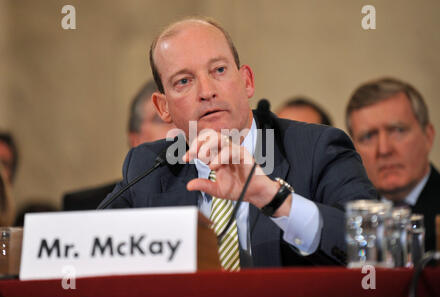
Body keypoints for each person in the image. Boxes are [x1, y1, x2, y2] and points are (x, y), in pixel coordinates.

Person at [101, 17, 376, 269]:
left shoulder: (318, 148)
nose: (207, 92)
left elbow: (371, 246)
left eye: (219, 70)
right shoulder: (148, 168)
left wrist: (272, 197)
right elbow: (92, 250)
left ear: (246, 82)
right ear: (163, 108)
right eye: (184, 81)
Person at [346, 77, 438, 252]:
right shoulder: (343, 219)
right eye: (368, 136)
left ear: (428, 136)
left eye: (397, 131)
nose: (384, 149)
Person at [63, 80, 174, 211]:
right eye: (160, 119)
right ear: (135, 140)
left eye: (178, 117)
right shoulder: (85, 207)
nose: (177, 126)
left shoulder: (201, 193)